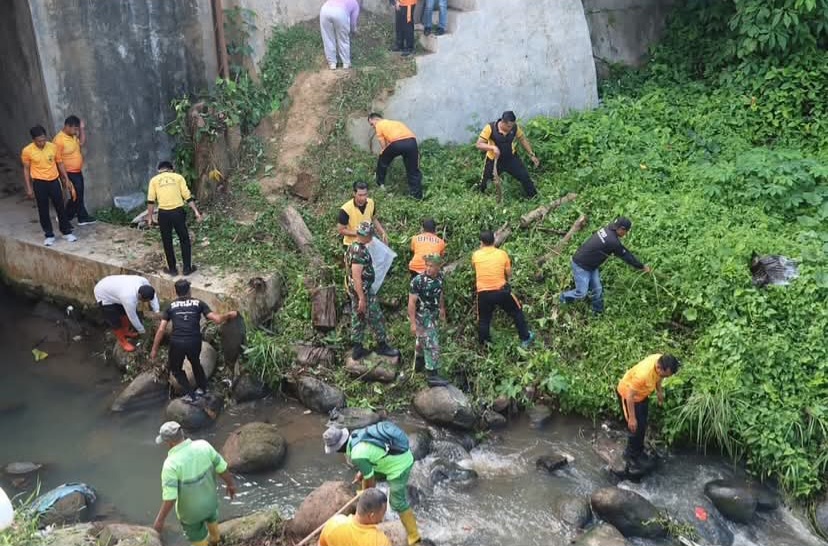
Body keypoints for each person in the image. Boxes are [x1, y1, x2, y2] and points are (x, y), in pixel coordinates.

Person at [323, 422, 425, 545]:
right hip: (391, 458)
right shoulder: (355, 435)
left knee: (397, 502)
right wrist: (362, 471)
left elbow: (370, 482)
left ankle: (414, 536)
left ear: (338, 448)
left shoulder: (356, 455)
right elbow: (371, 454)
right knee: (365, 479)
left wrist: (364, 498)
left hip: (400, 466)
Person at [150, 279, 238, 402]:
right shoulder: (198, 303)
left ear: (177, 292)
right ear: (189, 291)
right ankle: (203, 389)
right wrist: (228, 315)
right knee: (196, 363)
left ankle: (191, 395)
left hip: (177, 342)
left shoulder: (171, 306)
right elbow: (217, 319)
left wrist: (154, 349)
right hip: (194, 341)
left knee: (176, 370)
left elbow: (161, 330)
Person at [153, 421, 236, 546]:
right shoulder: (204, 446)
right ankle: (215, 539)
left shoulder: (170, 465)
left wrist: (160, 520)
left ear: (169, 443)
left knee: (197, 537)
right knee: (212, 519)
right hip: (211, 503)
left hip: (190, 515)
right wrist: (231, 485)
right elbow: (222, 467)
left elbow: (170, 497)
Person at [559, 217, 651, 314]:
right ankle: (563, 298)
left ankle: (597, 312)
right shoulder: (613, 242)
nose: (625, 234)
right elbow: (626, 256)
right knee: (582, 293)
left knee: (597, 289)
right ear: (622, 229)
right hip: (581, 266)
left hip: (591, 265)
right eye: (626, 231)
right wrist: (642, 267)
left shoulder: (607, 229)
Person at [346, 222, 400, 360]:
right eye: (369, 235)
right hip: (362, 292)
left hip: (356, 290)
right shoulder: (359, 252)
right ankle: (382, 345)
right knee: (376, 317)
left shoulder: (353, 247)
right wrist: (362, 298)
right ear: (362, 236)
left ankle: (357, 348)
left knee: (359, 317)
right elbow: (357, 277)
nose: (371, 237)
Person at [472, 230, 534, 348]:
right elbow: (508, 273)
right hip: (501, 290)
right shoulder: (502, 254)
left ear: (481, 243)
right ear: (494, 240)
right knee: (517, 311)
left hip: (483, 293)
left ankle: (485, 345)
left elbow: (475, 267)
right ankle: (525, 338)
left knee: (484, 320)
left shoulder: (476, 255)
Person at [617, 354, 681, 466]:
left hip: (642, 395)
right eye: (666, 375)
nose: (665, 377)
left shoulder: (662, 361)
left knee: (642, 424)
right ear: (659, 368)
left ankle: (638, 451)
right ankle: (629, 456)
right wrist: (632, 418)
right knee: (634, 427)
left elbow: (659, 378)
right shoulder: (643, 375)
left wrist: (659, 392)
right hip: (628, 396)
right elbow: (629, 395)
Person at [21, 125, 76, 246]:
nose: (42, 142)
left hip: (54, 181)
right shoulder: (27, 151)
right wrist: (29, 188)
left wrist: (66, 179)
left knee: (60, 206)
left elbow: (60, 163)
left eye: (43, 139)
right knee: (43, 209)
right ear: (33, 140)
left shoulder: (52, 147)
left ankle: (66, 232)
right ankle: (49, 235)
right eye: (39, 141)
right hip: (39, 183)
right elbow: (26, 169)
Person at [146, 161, 203, 276]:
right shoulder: (178, 177)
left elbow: (151, 201)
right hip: (178, 212)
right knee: (184, 239)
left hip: (164, 214)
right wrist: (196, 212)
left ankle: (172, 269)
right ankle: (187, 268)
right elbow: (187, 196)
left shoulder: (154, 180)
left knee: (167, 241)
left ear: (159, 170)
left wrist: (150, 217)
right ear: (172, 169)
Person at [476, 111, 540, 198]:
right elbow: (479, 144)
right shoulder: (490, 128)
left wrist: (531, 154)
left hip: (511, 159)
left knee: (525, 177)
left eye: (512, 126)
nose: (511, 128)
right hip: (494, 160)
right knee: (485, 184)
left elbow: (522, 139)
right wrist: (492, 148)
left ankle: (534, 198)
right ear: (503, 122)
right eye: (509, 126)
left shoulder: (514, 127)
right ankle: (481, 201)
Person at [408, 254, 448, 386]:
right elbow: (412, 302)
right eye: (427, 265)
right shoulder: (418, 281)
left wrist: (442, 309)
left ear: (438, 267)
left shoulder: (440, 277)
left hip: (434, 313)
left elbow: (440, 292)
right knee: (432, 343)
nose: (429, 268)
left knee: (423, 339)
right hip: (422, 314)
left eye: (432, 266)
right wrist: (413, 323)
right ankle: (432, 374)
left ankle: (419, 362)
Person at [93, 275, 160, 352]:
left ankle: (125, 331)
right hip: (103, 294)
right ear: (140, 297)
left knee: (123, 312)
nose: (146, 302)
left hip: (114, 288)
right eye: (145, 301)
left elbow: (153, 296)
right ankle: (123, 342)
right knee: (114, 320)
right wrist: (142, 331)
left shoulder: (144, 282)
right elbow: (132, 317)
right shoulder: (128, 298)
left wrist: (157, 311)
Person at [368, 113, 423, 199]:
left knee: (383, 159)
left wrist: (384, 151)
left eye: (372, 124)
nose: (373, 126)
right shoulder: (396, 123)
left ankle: (380, 183)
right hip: (412, 142)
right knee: (413, 170)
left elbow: (382, 142)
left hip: (398, 143)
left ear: (376, 119)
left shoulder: (379, 124)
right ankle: (417, 196)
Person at [53, 115, 95, 225]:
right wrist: (64, 178)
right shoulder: (59, 140)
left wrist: (82, 129)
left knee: (78, 195)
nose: (76, 131)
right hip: (69, 173)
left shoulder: (72, 136)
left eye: (77, 129)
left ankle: (70, 216)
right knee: (76, 195)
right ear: (67, 126)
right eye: (75, 128)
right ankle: (76, 217)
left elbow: (81, 142)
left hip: (77, 171)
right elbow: (58, 160)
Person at [319, 488, 392, 546]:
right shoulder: (380, 541)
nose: (382, 518)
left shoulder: (334, 524)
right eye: (382, 514)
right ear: (371, 516)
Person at [338, 181, 389, 247]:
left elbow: (373, 219)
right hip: (353, 244)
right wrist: (358, 234)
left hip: (368, 241)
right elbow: (341, 230)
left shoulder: (371, 203)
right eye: (360, 195)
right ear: (354, 193)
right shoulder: (345, 209)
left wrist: (383, 232)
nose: (363, 198)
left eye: (365, 194)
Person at [320, 0, 360, 70]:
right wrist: (354, 30)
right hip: (340, 12)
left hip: (324, 10)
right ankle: (346, 64)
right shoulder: (355, 3)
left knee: (328, 38)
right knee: (343, 39)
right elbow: (353, 23)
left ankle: (332, 64)